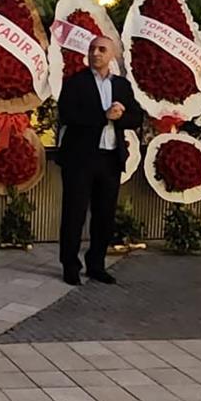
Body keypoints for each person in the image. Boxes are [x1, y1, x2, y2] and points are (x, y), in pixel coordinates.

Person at [55, 35, 144, 285]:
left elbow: (136, 117)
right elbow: (68, 114)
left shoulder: (121, 86)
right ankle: (70, 265)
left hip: (109, 158)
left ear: (112, 55)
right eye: (92, 49)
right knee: (74, 213)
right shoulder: (75, 83)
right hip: (81, 158)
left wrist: (120, 116)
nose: (95, 53)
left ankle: (96, 264)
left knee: (104, 215)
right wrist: (103, 115)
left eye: (101, 49)